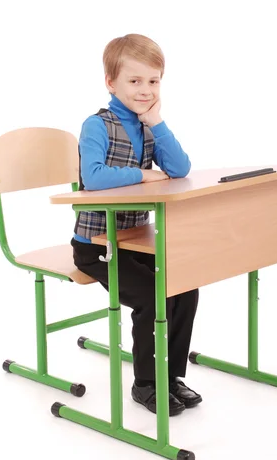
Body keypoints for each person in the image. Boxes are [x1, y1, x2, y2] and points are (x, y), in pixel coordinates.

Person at [71, 33, 202, 416]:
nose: (145, 90)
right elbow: (92, 178)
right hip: (96, 246)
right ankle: (146, 383)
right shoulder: (97, 125)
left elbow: (180, 169)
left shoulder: (148, 125)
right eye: (134, 81)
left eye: (153, 81)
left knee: (184, 285)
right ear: (111, 83)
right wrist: (143, 175)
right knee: (152, 294)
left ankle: (170, 375)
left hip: (131, 240)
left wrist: (156, 121)